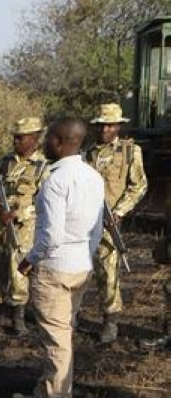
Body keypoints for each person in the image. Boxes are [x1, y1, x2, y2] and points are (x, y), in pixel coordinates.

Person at [14, 118, 104, 398]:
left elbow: (50, 236)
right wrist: (85, 256)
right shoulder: (94, 176)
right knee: (61, 335)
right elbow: (97, 229)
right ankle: (46, 391)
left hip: (54, 269)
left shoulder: (55, 181)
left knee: (56, 340)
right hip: (80, 266)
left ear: (60, 141)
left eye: (49, 138)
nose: (44, 143)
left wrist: (29, 260)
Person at [0, 118, 49, 333]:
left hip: (24, 229)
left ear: (35, 139)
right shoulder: (4, 163)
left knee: (19, 271)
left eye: (21, 138)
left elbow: (45, 203)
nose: (16, 141)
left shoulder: (43, 167)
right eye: (15, 137)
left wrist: (19, 213)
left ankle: (18, 316)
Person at [85, 103, 148, 345]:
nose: (105, 130)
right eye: (101, 125)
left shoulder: (130, 151)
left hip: (109, 220)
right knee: (77, 270)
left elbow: (138, 186)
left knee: (108, 271)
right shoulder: (87, 152)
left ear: (118, 126)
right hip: (85, 219)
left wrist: (119, 212)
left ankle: (110, 321)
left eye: (110, 125)